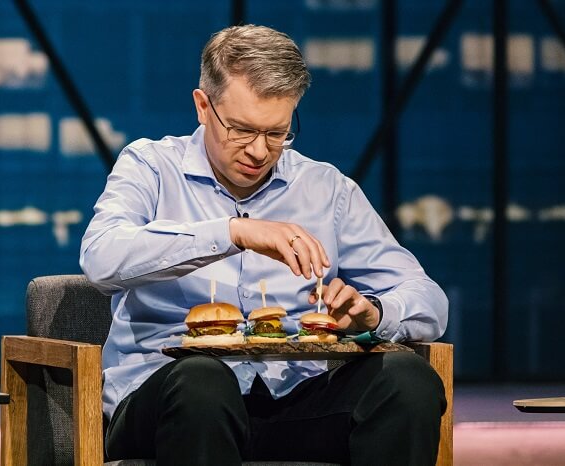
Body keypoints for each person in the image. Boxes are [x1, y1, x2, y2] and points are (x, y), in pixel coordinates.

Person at [80, 24, 448, 466]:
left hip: (292, 399)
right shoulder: (151, 167)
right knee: (202, 381)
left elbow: (428, 299)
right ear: (203, 106)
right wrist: (233, 232)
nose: (258, 151)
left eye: (277, 133)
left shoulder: (325, 188)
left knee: (407, 379)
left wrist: (375, 313)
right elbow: (100, 258)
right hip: (168, 400)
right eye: (241, 130)